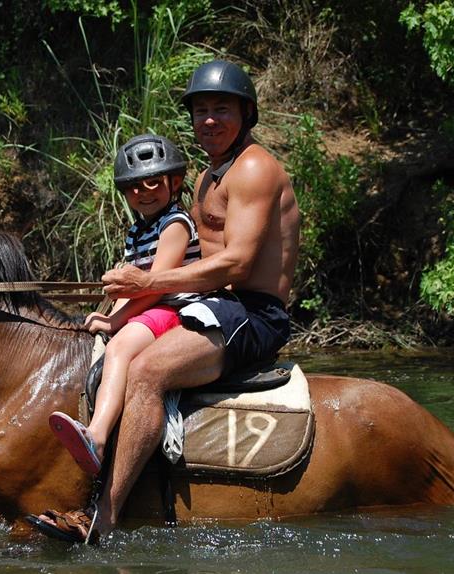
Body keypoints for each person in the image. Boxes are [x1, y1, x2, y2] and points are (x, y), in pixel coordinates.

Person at [28, 59, 300, 543]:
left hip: (254, 312)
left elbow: (237, 264)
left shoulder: (255, 168)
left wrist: (144, 285)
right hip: (212, 305)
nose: (209, 120)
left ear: (247, 114)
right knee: (119, 348)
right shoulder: (207, 179)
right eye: (201, 111)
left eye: (222, 109)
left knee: (150, 370)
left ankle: (104, 520)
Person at [47, 133, 201, 476]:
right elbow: (131, 289)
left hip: (173, 309)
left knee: (119, 351)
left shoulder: (174, 224)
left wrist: (116, 324)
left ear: (174, 183)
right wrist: (108, 315)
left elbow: (156, 287)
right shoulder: (136, 231)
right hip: (148, 308)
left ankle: (97, 438)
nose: (143, 192)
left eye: (153, 182)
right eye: (134, 187)